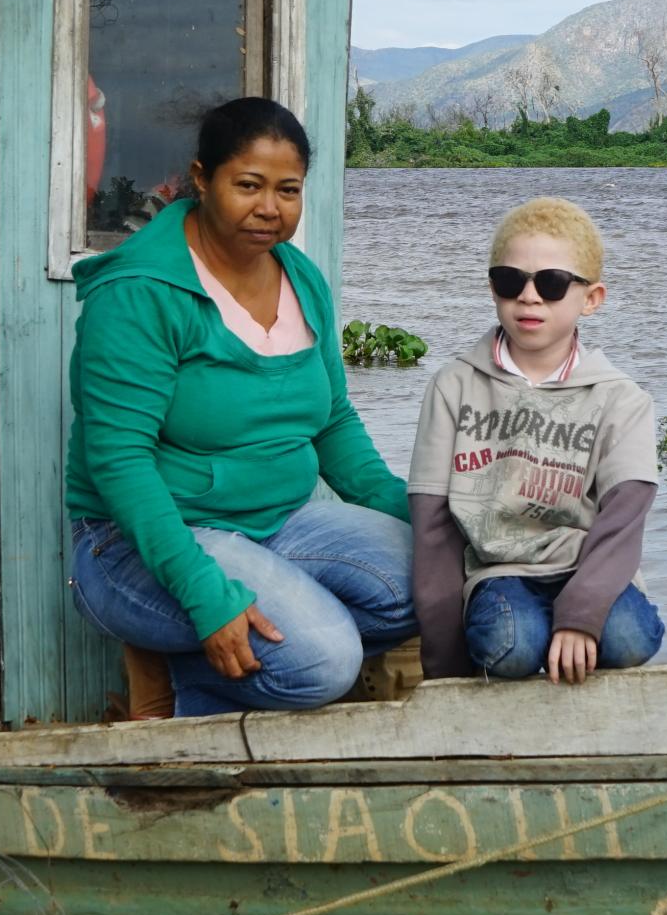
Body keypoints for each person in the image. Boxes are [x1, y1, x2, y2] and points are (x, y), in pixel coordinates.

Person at [65, 97, 414, 717]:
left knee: (438, 585)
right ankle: (177, 694)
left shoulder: (300, 278)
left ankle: (214, 654)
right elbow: (120, 461)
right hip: (140, 544)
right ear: (201, 179)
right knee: (326, 660)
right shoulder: (141, 293)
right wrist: (206, 593)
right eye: (248, 186)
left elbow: (333, 422)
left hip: (279, 524)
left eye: (288, 190)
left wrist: (421, 521)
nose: (269, 209)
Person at [407, 196, 665, 683]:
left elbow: (622, 524)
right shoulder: (453, 386)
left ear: (591, 298)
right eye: (511, 281)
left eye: (551, 284)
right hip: (500, 573)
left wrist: (581, 616)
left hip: (590, 565)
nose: (529, 297)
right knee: (512, 646)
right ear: (492, 288)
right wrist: (443, 674)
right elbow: (432, 529)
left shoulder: (623, 399)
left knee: (630, 638)